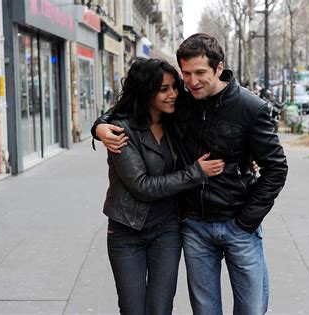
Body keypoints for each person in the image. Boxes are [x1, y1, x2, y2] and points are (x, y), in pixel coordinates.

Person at [94, 34, 288, 315]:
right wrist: (99, 127)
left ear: (218, 68)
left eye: (200, 73)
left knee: (251, 309)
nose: (191, 82)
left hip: (238, 224)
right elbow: (131, 107)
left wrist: (247, 220)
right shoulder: (181, 104)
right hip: (193, 225)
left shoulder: (250, 107)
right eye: (186, 73)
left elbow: (277, 168)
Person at [101, 58, 225, 315]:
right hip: (127, 231)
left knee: (160, 308)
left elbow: (216, 132)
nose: (173, 95)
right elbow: (142, 186)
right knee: (133, 309)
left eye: (174, 87)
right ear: (145, 91)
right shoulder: (121, 129)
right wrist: (195, 173)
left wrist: (249, 159)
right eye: (163, 89)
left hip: (167, 229)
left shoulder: (176, 122)